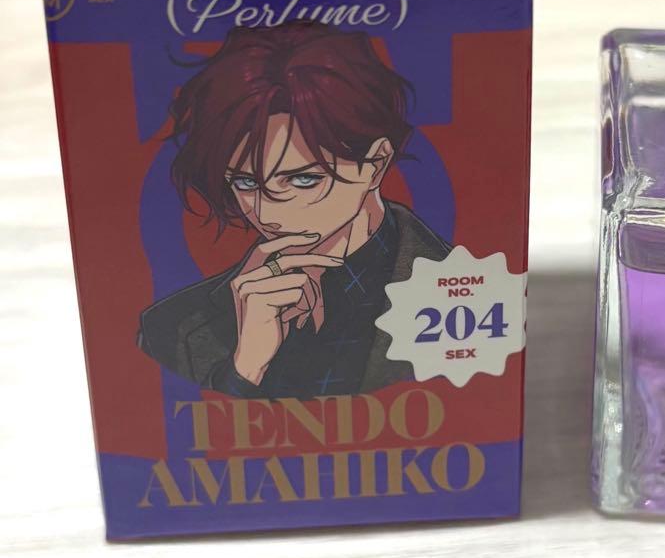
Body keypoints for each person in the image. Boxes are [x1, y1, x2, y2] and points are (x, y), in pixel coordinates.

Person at [138, 22, 450, 398]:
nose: (269, 215)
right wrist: (246, 366)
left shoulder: (461, 290)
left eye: (304, 180)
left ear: (376, 164)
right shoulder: (170, 327)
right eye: (246, 183)